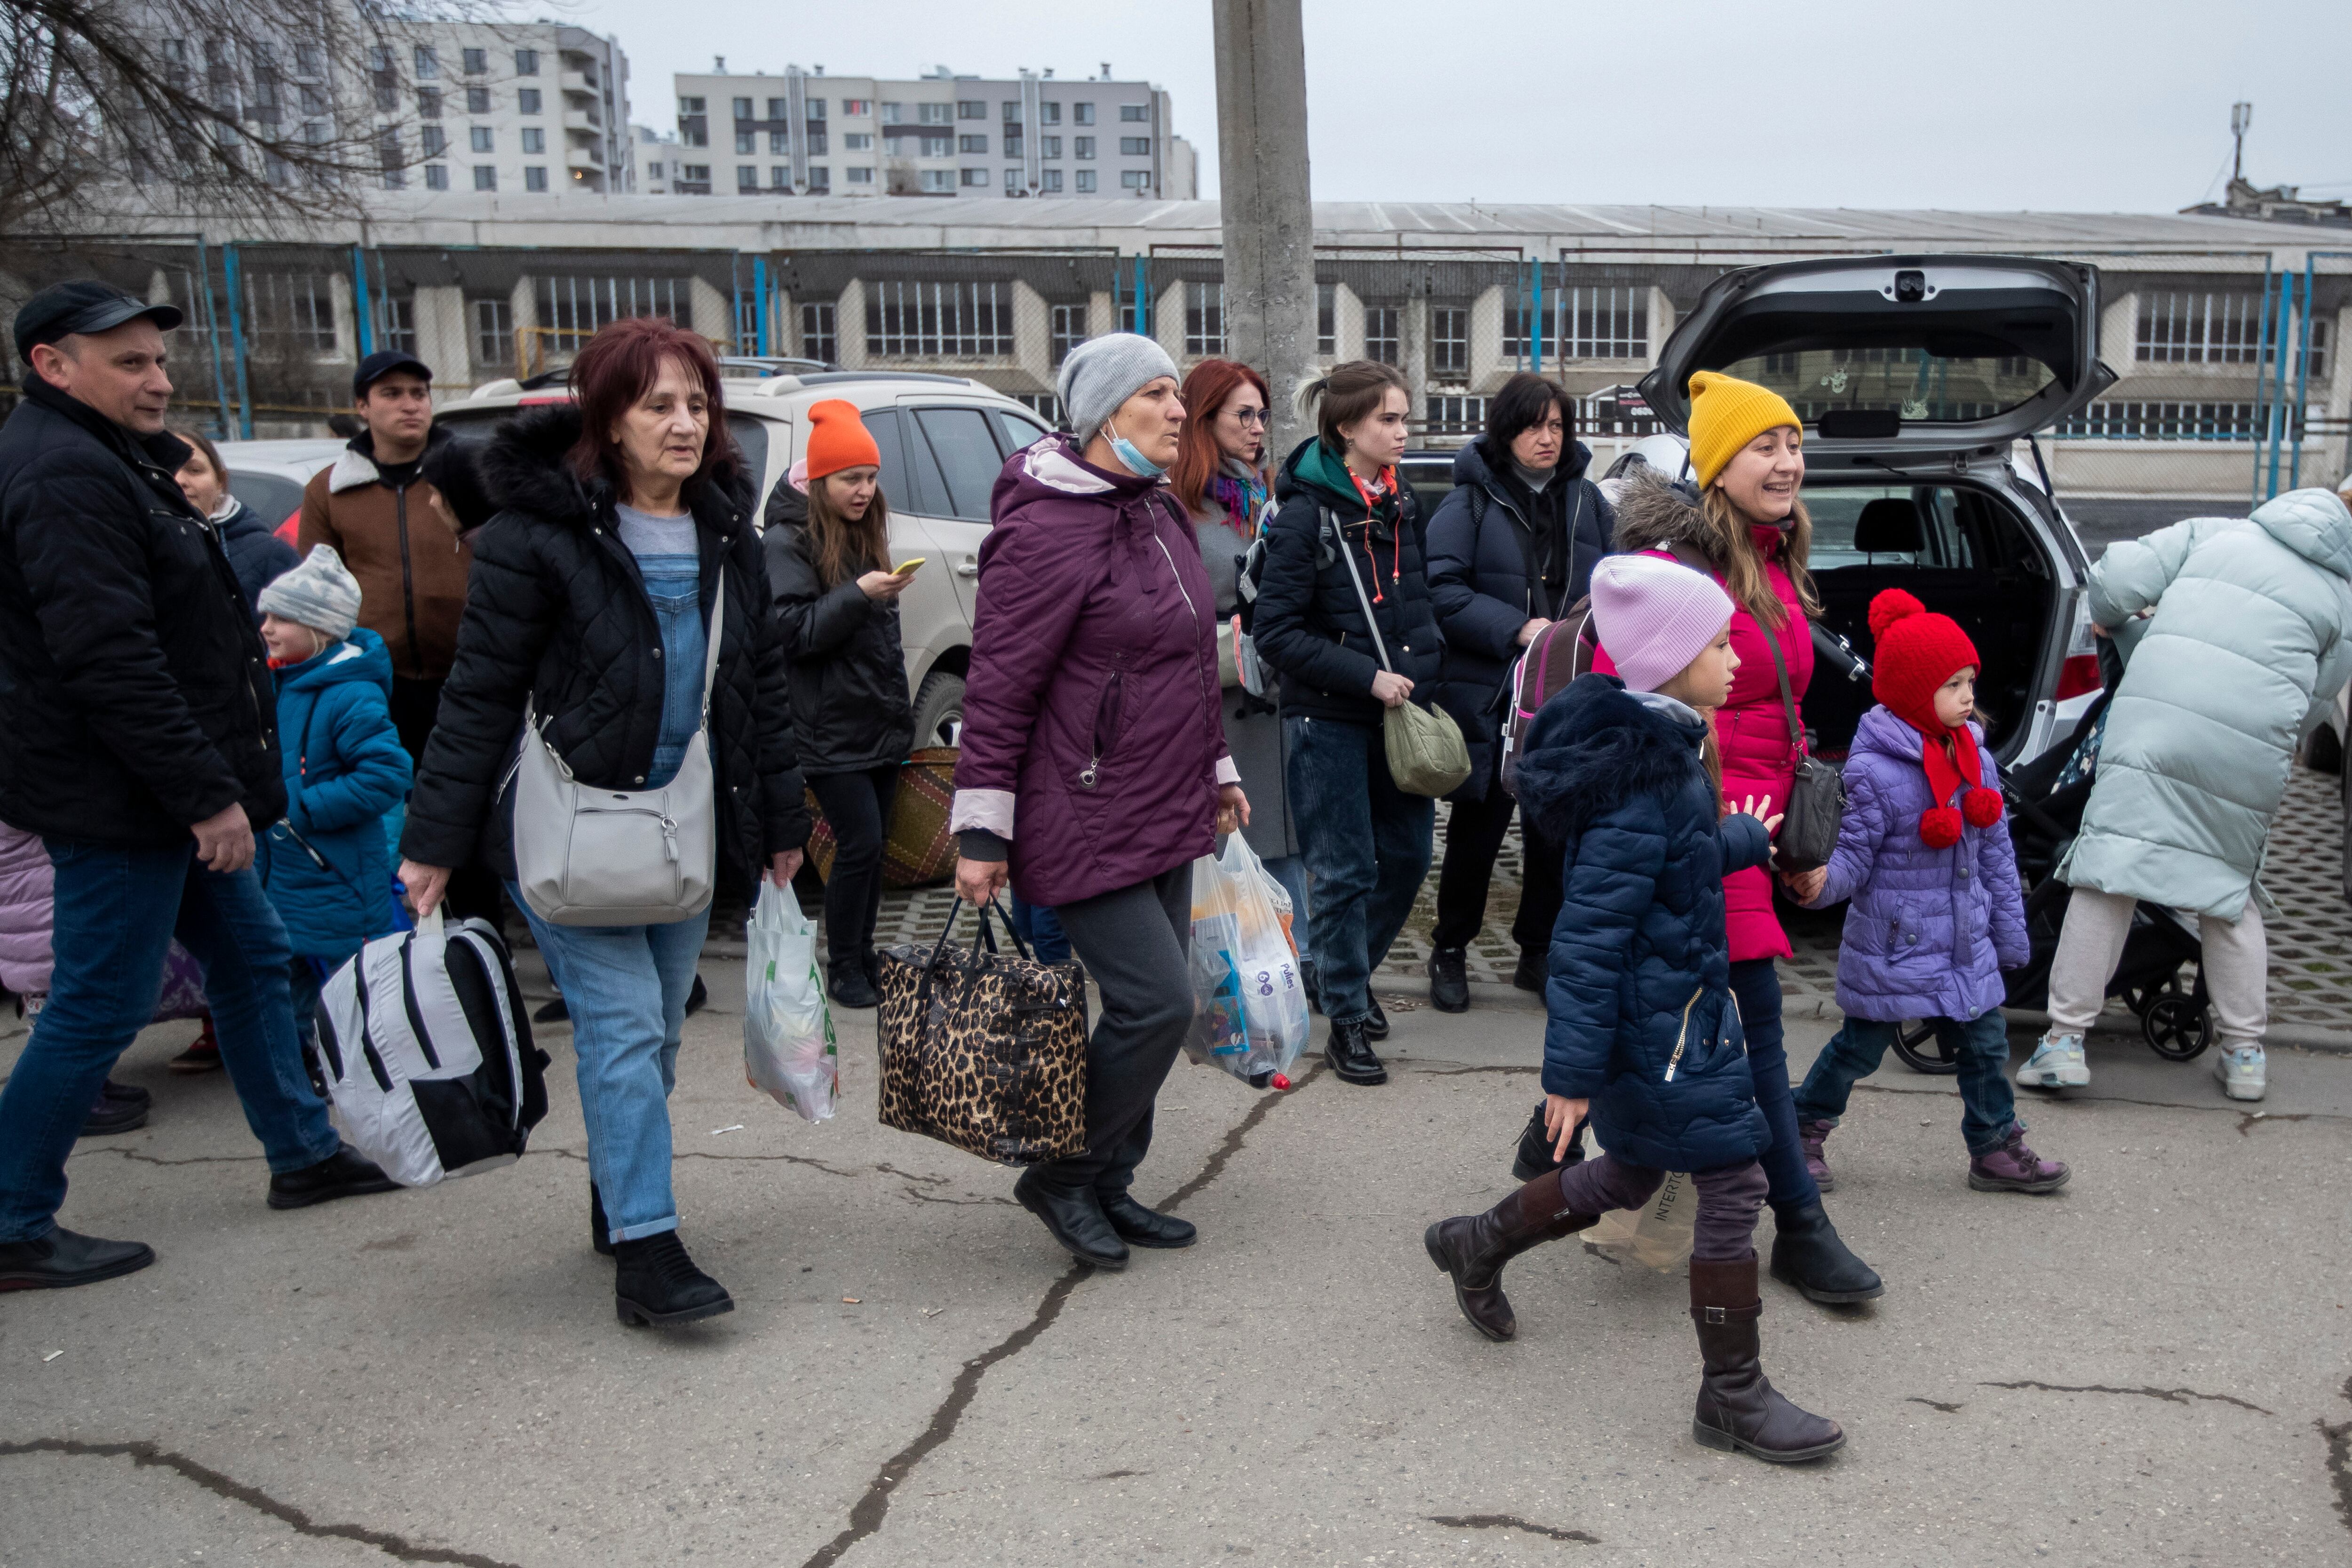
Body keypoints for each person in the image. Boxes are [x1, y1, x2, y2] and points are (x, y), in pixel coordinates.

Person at [398, 317, 809, 1328]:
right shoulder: (535, 535)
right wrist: (433, 843)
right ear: (606, 418)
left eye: (697, 403)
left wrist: (782, 817)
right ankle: (648, 1251)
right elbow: (478, 693)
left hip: (682, 830)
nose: (684, 422)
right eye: (657, 403)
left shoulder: (727, 534)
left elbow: (756, 686)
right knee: (622, 1032)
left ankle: (617, 1191)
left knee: (659, 1036)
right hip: (570, 830)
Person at [0, 282, 398, 1291]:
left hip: (157, 787)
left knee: (254, 955)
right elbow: (109, 658)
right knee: (100, 998)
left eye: (158, 359)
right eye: (128, 362)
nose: (158, 379)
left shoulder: (104, 460)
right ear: (54, 365)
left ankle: (303, 1157)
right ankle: (10, 1217)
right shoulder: (60, 473)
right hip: (126, 798)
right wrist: (203, 795)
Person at [1426, 555, 1843, 1462]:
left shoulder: (1663, 748)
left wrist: (1741, 837)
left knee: (1628, 1176)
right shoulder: (1643, 777)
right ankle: (1732, 1393)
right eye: (1720, 642)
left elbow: (1669, 864)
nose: (1737, 659)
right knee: (1736, 1180)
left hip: (1674, 1019)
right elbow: (1587, 938)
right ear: (1668, 656)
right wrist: (1570, 1076)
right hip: (1655, 1036)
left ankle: (1476, 1241)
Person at [948, 332, 1243, 1272]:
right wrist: (982, 828)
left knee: (1149, 1006)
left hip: (1165, 799)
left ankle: (1112, 1180)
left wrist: (1219, 772)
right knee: (1158, 1001)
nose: (1173, 410)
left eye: (1174, 393)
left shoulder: (1153, 509)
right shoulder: (1043, 530)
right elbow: (996, 691)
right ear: (1104, 415)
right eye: (1154, 394)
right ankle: (1062, 1170)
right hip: (1079, 808)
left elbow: (1191, 661)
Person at [1601, 370, 1883, 1306]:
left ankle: (1553, 1155)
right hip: (1703, 825)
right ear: (1717, 467)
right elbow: (1622, 703)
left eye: (1794, 443)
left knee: (1698, 1032)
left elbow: (1783, 713)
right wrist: (1694, 830)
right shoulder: (1677, 575)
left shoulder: (1770, 561)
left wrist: (1794, 844)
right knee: (1752, 1032)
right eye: (1763, 445)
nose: (1787, 460)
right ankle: (1798, 1227)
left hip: (1757, 832)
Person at [2017, 487, 2352, 1104]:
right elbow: (2315, 705)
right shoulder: (2343, 599)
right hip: (2247, 752)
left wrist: (2124, 628)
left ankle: (2064, 1044)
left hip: (2154, 729)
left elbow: (2116, 581)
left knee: (2109, 874)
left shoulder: (2218, 533)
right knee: (2227, 893)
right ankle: (2246, 1056)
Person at [1786, 590, 2067, 1193]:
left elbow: (1995, 854)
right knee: (1859, 1048)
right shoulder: (1873, 772)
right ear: (1914, 693)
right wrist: (1817, 884)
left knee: (1987, 1047)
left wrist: (2008, 934)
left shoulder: (1976, 761)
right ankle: (1802, 1125)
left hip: (1965, 941)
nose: (1968, 697)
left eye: (1969, 682)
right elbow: (1853, 857)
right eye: (1952, 686)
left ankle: (1994, 1146)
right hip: (1895, 944)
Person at [1251, 360, 1439, 1088]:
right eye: (1388, 420)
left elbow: (1418, 603)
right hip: (1327, 716)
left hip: (1401, 713)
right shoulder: (1306, 512)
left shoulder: (1400, 502)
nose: (1401, 432)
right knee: (1343, 870)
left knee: (1408, 856)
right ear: (1346, 429)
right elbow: (1277, 631)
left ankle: (1340, 975)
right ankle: (1347, 1021)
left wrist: (1433, 675)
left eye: (1403, 418)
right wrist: (1365, 675)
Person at [1424, 373, 1614, 1024]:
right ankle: (1450, 947)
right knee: (1478, 833)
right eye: (1535, 425)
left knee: (1555, 833)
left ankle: (1538, 951)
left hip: (1570, 693)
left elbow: (1619, 581)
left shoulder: (1590, 502)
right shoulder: (1469, 503)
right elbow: (1442, 592)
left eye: (1558, 425)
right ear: (1507, 431)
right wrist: (1516, 628)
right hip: (1494, 695)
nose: (1549, 438)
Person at [298, 348, 498, 923]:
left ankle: (484, 939)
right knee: (387, 816)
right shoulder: (331, 489)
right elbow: (314, 587)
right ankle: (395, 940)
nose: (410, 405)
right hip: (375, 687)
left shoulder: (464, 473)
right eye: (392, 394)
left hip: (466, 677)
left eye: (419, 393)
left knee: (468, 813)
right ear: (362, 406)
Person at [765, 402, 916, 1008]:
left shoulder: (861, 526)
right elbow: (790, 632)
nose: (863, 490)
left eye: (870, 477)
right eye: (850, 479)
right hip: (828, 729)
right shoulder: (785, 539)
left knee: (873, 848)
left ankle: (863, 955)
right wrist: (858, 595)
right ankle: (843, 967)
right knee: (857, 847)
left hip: (872, 720)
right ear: (819, 480)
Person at [1170, 357, 1311, 979]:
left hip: (1283, 697)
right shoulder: (1179, 511)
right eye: (1243, 415)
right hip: (1222, 704)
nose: (1258, 428)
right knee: (1236, 837)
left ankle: (1295, 959)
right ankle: (1230, 965)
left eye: (1263, 415)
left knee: (1288, 836)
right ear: (1205, 420)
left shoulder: (1270, 498)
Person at [253, 546, 413, 1056]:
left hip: (335, 875)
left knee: (347, 995)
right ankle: (306, 1069)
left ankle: (365, 1073)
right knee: (287, 987)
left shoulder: (350, 694)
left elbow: (388, 774)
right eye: (266, 616)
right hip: (285, 873)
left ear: (320, 627)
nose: (267, 628)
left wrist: (296, 808)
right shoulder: (281, 685)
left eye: (281, 618)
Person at [175, 426, 296, 618]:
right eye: (166, 469)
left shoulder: (271, 555)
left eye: (195, 470)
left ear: (220, 481)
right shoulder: (127, 549)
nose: (180, 480)